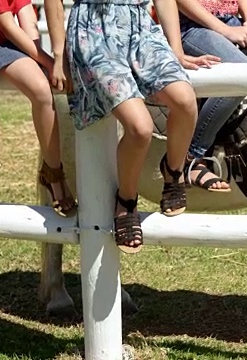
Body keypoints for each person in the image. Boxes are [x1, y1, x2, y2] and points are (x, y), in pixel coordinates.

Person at [43, 0, 218, 254]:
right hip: (93, 31)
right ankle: (126, 201)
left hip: (141, 27)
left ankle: (174, 171)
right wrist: (59, 53)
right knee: (140, 128)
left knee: (186, 102)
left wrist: (176, 48)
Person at [0, 0, 78, 236]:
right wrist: (50, 62)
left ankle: (53, 172)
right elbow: (6, 23)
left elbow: (24, 12)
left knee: (42, 91)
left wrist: (45, 63)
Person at [175, 0, 247, 193]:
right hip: (192, 26)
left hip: (231, 20)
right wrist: (224, 30)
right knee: (241, 74)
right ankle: (190, 157)